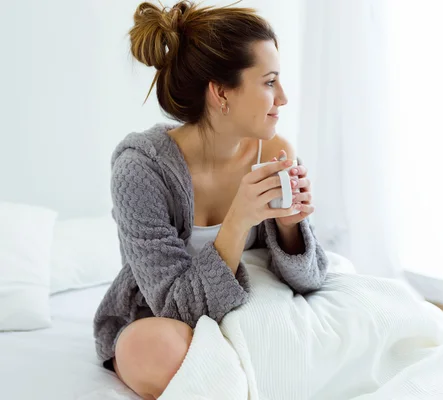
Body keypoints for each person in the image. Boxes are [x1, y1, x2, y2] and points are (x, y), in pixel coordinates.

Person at [92, 1, 329, 398]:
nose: (283, 98)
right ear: (221, 93)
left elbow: (311, 280)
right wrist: (238, 221)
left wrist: (291, 228)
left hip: (244, 317)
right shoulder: (141, 169)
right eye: (269, 82)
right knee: (154, 348)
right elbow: (173, 308)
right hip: (162, 319)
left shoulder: (274, 152)